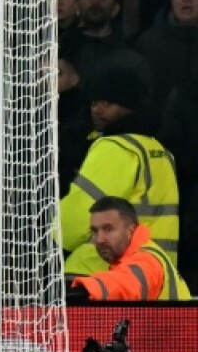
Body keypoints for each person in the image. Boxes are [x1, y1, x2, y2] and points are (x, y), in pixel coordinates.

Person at [58, 65, 180, 275]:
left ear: (130, 107)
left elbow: (78, 218)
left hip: (100, 272)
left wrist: (48, 237)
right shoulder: (157, 150)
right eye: (94, 101)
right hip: (152, 273)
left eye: (108, 102)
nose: (97, 109)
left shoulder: (115, 148)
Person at [68, 197, 190, 302]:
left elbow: (124, 285)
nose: (99, 239)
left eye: (108, 229)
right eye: (95, 231)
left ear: (130, 231)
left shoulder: (146, 260)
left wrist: (80, 291)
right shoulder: (140, 254)